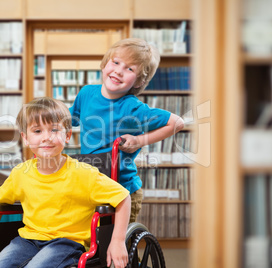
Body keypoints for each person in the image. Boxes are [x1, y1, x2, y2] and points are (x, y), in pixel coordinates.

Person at [0, 97, 131, 268]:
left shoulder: (84, 174)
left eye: (54, 130)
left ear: (67, 135)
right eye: (37, 131)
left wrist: (118, 241)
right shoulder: (21, 173)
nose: (46, 138)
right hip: (28, 240)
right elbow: (0, 200)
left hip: (67, 242)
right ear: (25, 138)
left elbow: (123, 197)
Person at [69, 38, 185, 223]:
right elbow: (68, 120)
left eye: (130, 69)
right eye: (115, 62)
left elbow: (177, 123)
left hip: (121, 190)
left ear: (139, 81)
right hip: (92, 184)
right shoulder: (86, 94)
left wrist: (139, 141)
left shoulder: (133, 108)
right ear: (105, 63)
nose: (118, 71)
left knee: (116, 243)